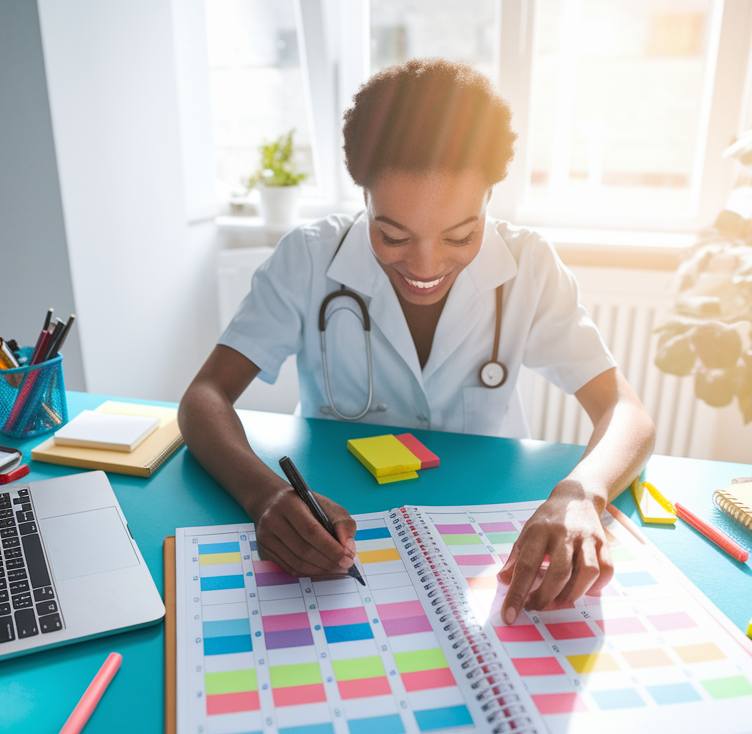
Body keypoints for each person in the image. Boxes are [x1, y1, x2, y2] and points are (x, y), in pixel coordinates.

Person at [179, 59, 655, 625]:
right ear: (364, 197)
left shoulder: (530, 265)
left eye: (461, 235)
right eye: (391, 234)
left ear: (490, 197)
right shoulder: (308, 258)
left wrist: (583, 491)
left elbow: (626, 412)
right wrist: (265, 496)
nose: (426, 266)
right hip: (343, 524)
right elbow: (204, 396)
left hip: (485, 533)